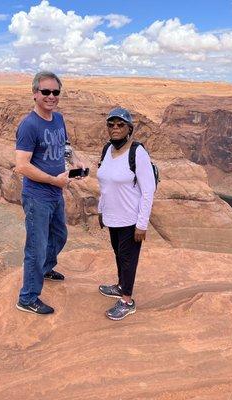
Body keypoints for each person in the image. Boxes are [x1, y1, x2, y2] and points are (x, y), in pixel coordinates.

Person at [14, 71, 85, 315]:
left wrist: (73, 163)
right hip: (37, 196)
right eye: (45, 92)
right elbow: (22, 165)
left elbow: (64, 146)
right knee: (36, 246)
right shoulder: (29, 125)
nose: (51, 96)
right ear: (35, 94)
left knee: (60, 236)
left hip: (55, 193)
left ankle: (45, 268)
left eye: (55, 92)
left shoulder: (58, 119)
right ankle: (28, 297)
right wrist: (53, 180)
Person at [97, 107, 156, 320]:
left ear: (129, 129)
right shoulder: (107, 150)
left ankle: (127, 301)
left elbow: (148, 190)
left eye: (120, 125)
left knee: (128, 259)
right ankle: (121, 285)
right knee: (119, 255)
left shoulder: (137, 152)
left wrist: (142, 224)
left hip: (131, 219)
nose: (115, 128)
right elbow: (104, 183)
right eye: (111, 124)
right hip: (113, 216)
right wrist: (101, 210)